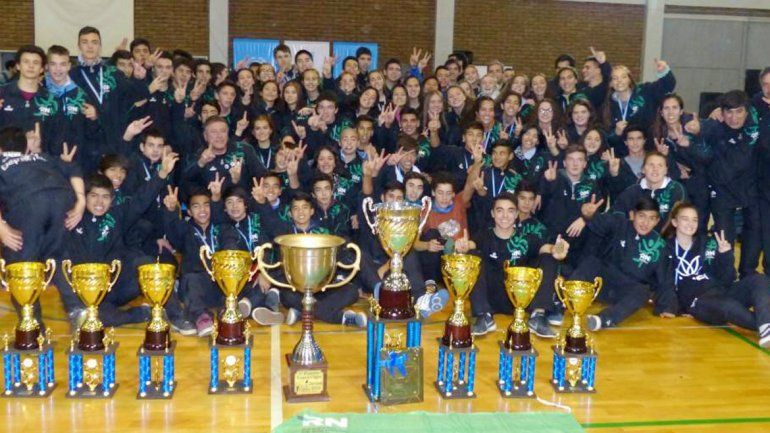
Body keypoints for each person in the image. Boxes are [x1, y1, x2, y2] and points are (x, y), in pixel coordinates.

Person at [663, 202, 770, 347]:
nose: (691, 223)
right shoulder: (664, 248)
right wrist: (675, 308)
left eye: (694, 219)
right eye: (685, 219)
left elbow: (727, 279)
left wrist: (725, 255)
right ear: (675, 222)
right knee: (728, 306)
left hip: (721, 292)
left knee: (759, 279)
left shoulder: (707, 243)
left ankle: (766, 326)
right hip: (698, 302)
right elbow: (662, 283)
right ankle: (764, 326)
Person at [466, 192, 570, 336]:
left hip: (519, 297)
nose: (505, 216)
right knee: (472, 255)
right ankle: (483, 316)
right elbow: (469, 244)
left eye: (510, 211)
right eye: (499, 210)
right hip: (491, 297)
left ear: (516, 214)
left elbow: (548, 248)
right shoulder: (484, 235)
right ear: (492, 213)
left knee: (549, 257)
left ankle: (538, 316)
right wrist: (462, 245)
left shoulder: (526, 238)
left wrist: (558, 249)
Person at [573, 196, 677, 330]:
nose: (645, 223)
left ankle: (603, 320)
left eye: (651, 218)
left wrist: (667, 307)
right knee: (591, 263)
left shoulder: (659, 246)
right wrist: (589, 215)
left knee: (643, 291)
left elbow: (665, 280)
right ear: (632, 215)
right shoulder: (619, 224)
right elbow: (599, 222)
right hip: (601, 282)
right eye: (642, 216)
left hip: (625, 292)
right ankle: (568, 301)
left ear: (657, 221)